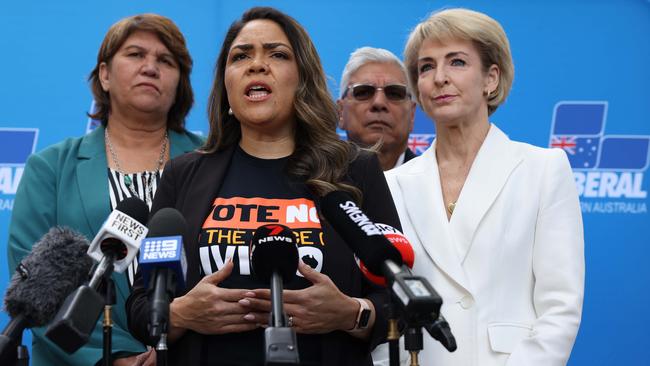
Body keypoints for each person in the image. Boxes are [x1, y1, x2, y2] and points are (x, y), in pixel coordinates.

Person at [126, 7, 401, 366]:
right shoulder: (183, 175)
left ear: (302, 78)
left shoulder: (354, 170)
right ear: (226, 84)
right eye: (240, 56)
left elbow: (401, 296)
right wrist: (180, 314)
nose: (257, 65)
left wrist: (351, 313)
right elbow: (142, 306)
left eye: (277, 54)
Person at [383, 8, 584, 366]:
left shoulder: (542, 169)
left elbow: (560, 308)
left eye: (456, 62)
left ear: (491, 78)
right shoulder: (392, 184)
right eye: (426, 67)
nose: (439, 78)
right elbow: (386, 307)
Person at [7, 13, 203, 366]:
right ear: (105, 75)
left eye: (165, 61)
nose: (150, 67)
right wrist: (112, 357)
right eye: (135, 54)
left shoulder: (213, 160)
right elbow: (35, 288)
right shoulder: (50, 168)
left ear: (180, 83)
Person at [337, 47, 416, 171]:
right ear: (341, 112)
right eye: (363, 92)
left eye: (394, 93)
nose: (379, 102)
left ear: (412, 114)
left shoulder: (437, 183)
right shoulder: (313, 184)